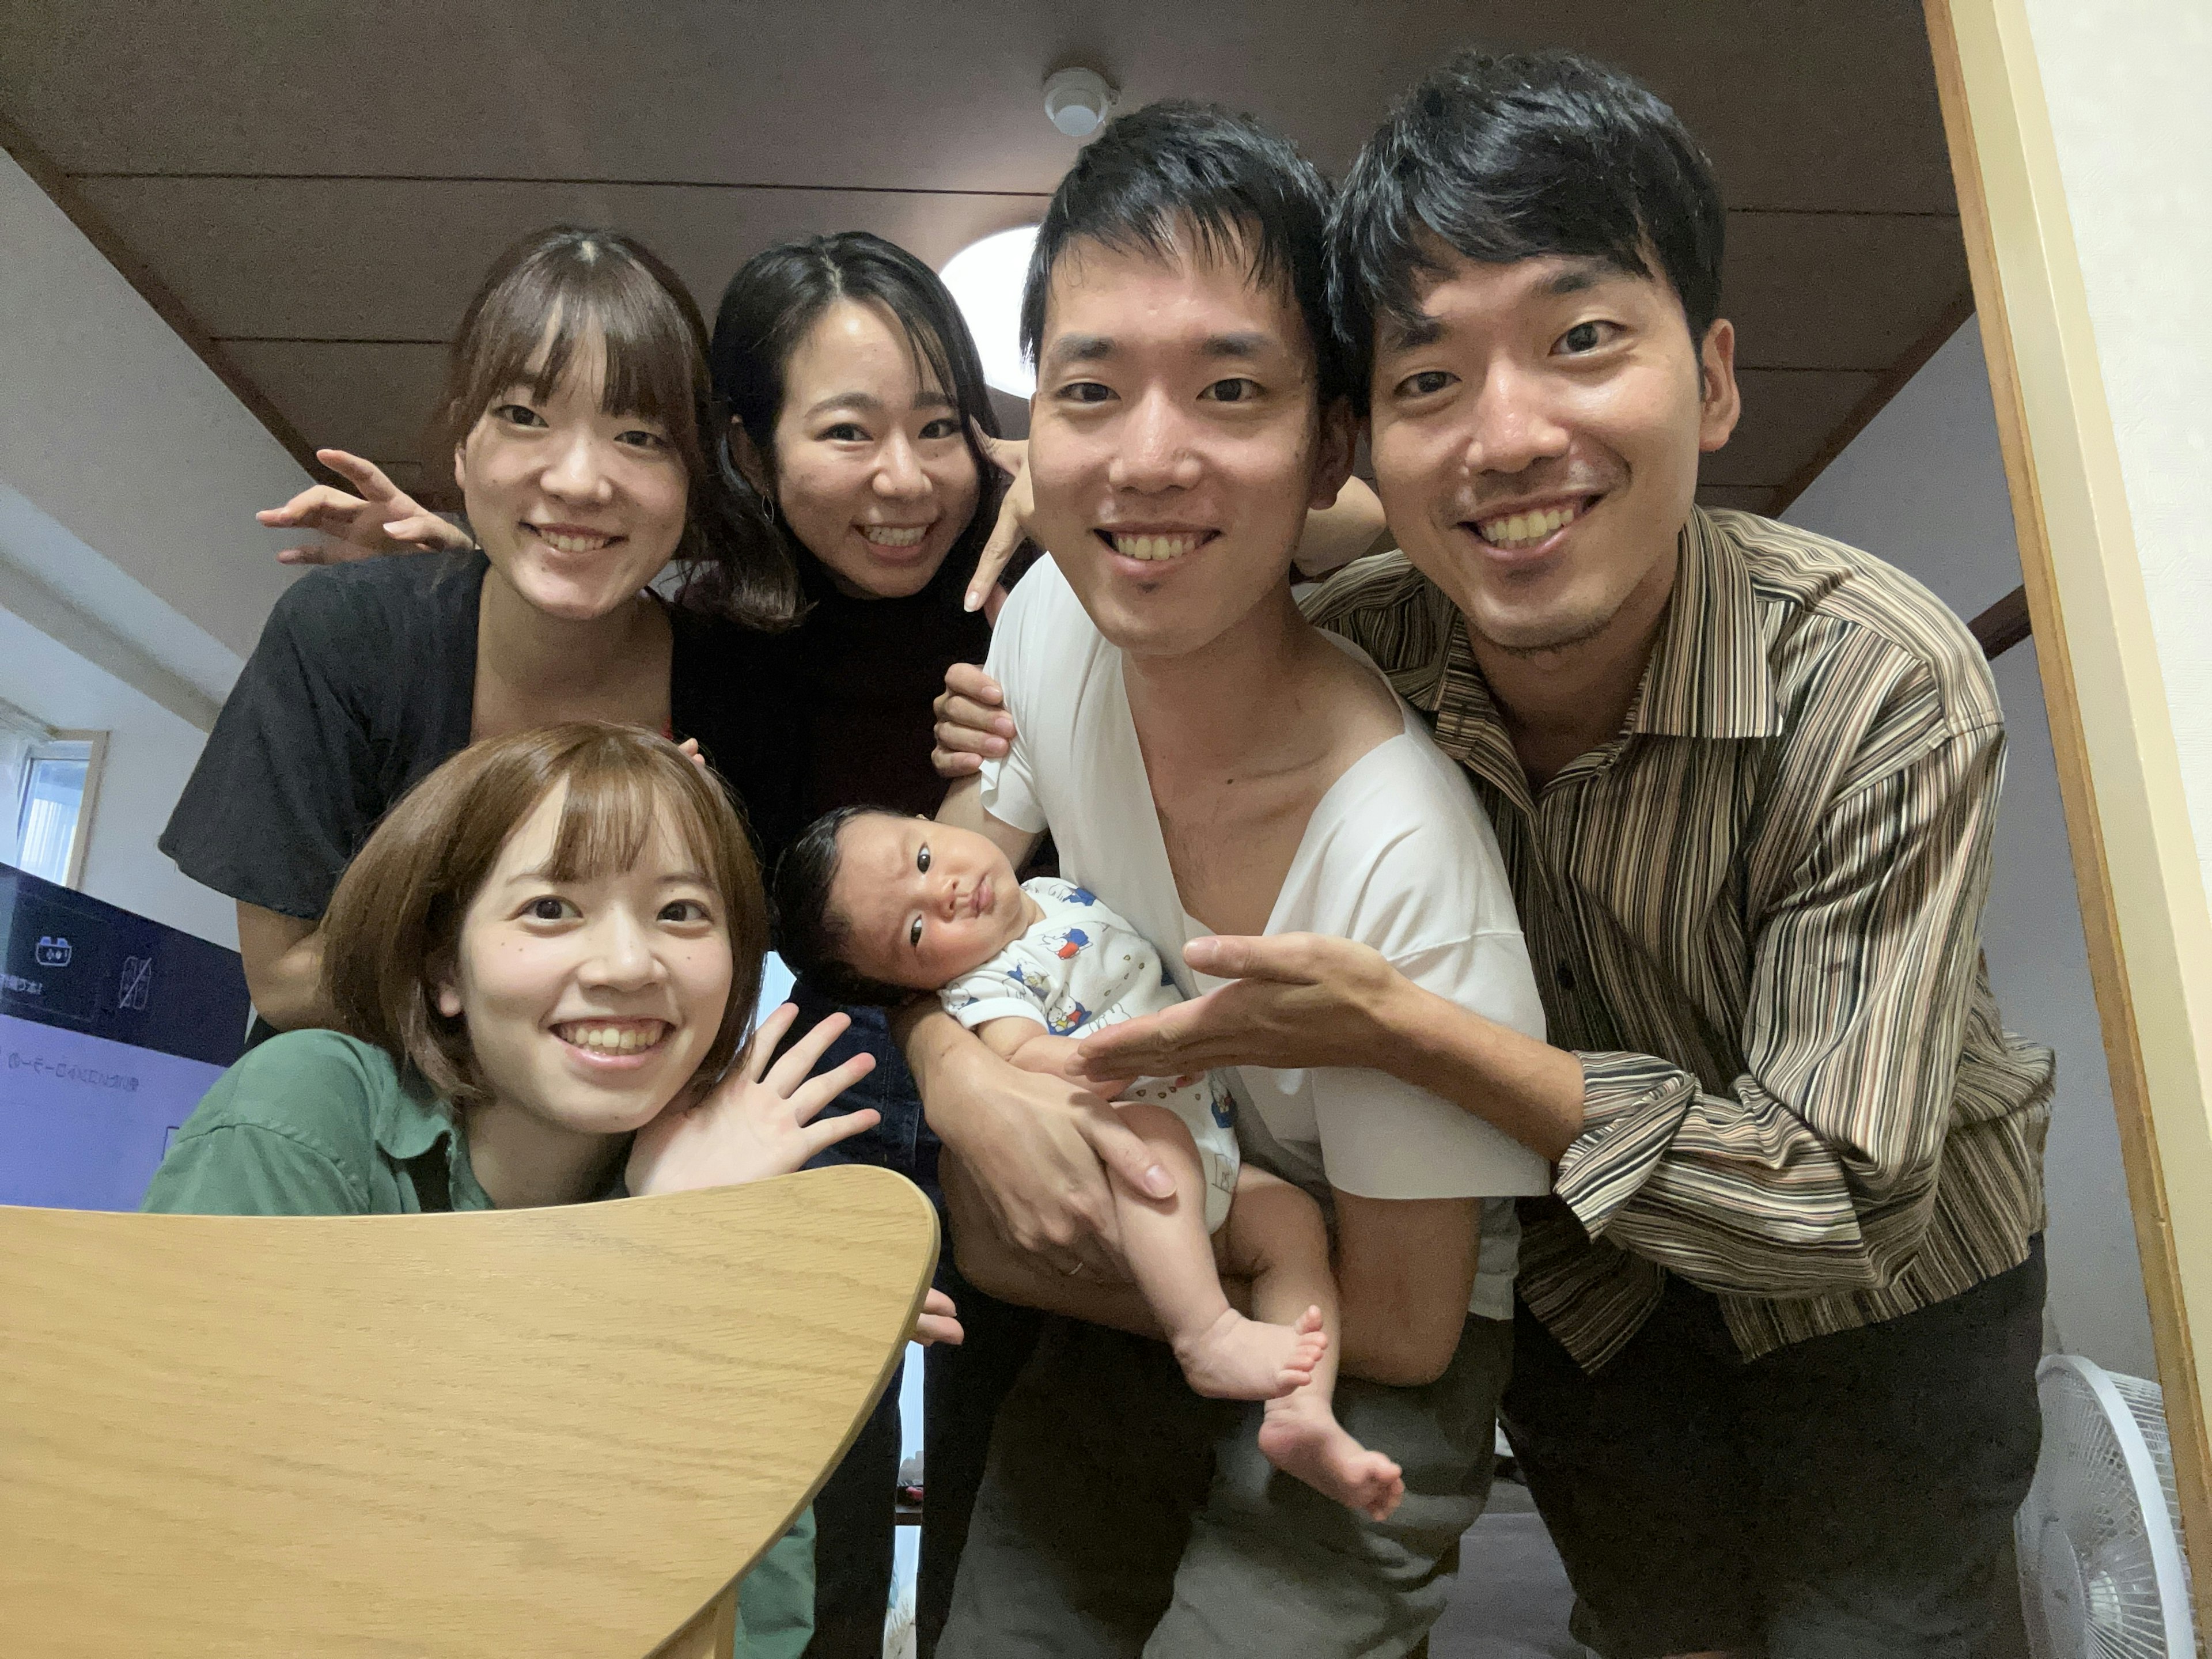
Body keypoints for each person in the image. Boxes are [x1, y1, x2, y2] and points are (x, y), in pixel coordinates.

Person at [945, 50, 2054, 1659]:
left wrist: (1407, 1033)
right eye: (1432, 380)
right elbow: (1214, 570)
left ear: (1717, 378)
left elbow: (1831, 1199)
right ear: (1374, 446)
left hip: (1886, 1286)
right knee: (1656, 1627)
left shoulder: (1872, 679)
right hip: (1592, 1278)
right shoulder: (1369, 638)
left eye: (1584, 338)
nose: (1510, 435)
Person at [258, 228, 1384, 1656]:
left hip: (1062, 1016)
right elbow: (582, 633)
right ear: (750, 445)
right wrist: (455, 558)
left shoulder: (1047, 570)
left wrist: (1080, 483)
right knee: (818, 1395)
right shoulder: (725, 638)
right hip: (857, 1039)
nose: (904, 480)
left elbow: (1348, 522)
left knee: (1023, 1416)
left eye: (937, 426)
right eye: (846, 431)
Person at [899, 100, 1552, 1658]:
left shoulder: (1399, 848)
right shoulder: (1053, 618)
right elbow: (943, 899)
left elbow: (1398, 1321)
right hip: (1164, 1229)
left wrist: (1047, 1249)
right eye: (1090, 388)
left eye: (1232, 389)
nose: (1148, 460)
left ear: (1332, 442)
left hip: (1377, 1339)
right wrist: (955, 1072)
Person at [143, 722, 963, 1658]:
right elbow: (219, 1550)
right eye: (550, 911)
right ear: (445, 964)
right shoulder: (303, 1112)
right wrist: (648, 1258)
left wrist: (719, 1264)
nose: (627, 966)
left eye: (684, 914)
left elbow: (754, 1631)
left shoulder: (734, 1201)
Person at [162, 224, 793, 1040]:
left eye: (639, 436)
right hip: (358, 1124)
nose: (577, 480)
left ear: (693, 475)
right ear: (464, 445)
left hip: (619, 1143)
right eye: (525, 415)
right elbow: (286, 979)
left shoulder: (734, 684)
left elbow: (742, 962)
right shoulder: (352, 639)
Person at [775, 807, 1414, 1521]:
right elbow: (1021, 1061)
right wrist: (1125, 1053)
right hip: (1134, 1162)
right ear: (910, 992)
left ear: (930, 820)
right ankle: (1205, 1334)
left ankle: (1304, 1415)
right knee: (1156, 1143)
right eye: (917, 932)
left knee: (1292, 1224)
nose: (947, 892)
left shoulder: (1051, 892)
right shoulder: (986, 989)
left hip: (1207, 1143)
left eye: (923, 859)